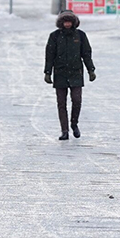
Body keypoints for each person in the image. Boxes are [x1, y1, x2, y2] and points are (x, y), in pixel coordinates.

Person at [45, 10, 95, 140]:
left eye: (69, 21)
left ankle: (74, 123)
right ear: (61, 23)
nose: (67, 24)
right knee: (61, 103)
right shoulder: (55, 36)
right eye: (65, 21)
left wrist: (91, 70)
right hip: (60, 73)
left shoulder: (80, 36)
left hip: (76, 73)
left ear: (74, 22)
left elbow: (86, 54)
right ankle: (64, 130)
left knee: (77, 100)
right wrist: (47, 72)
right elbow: (49, 55)